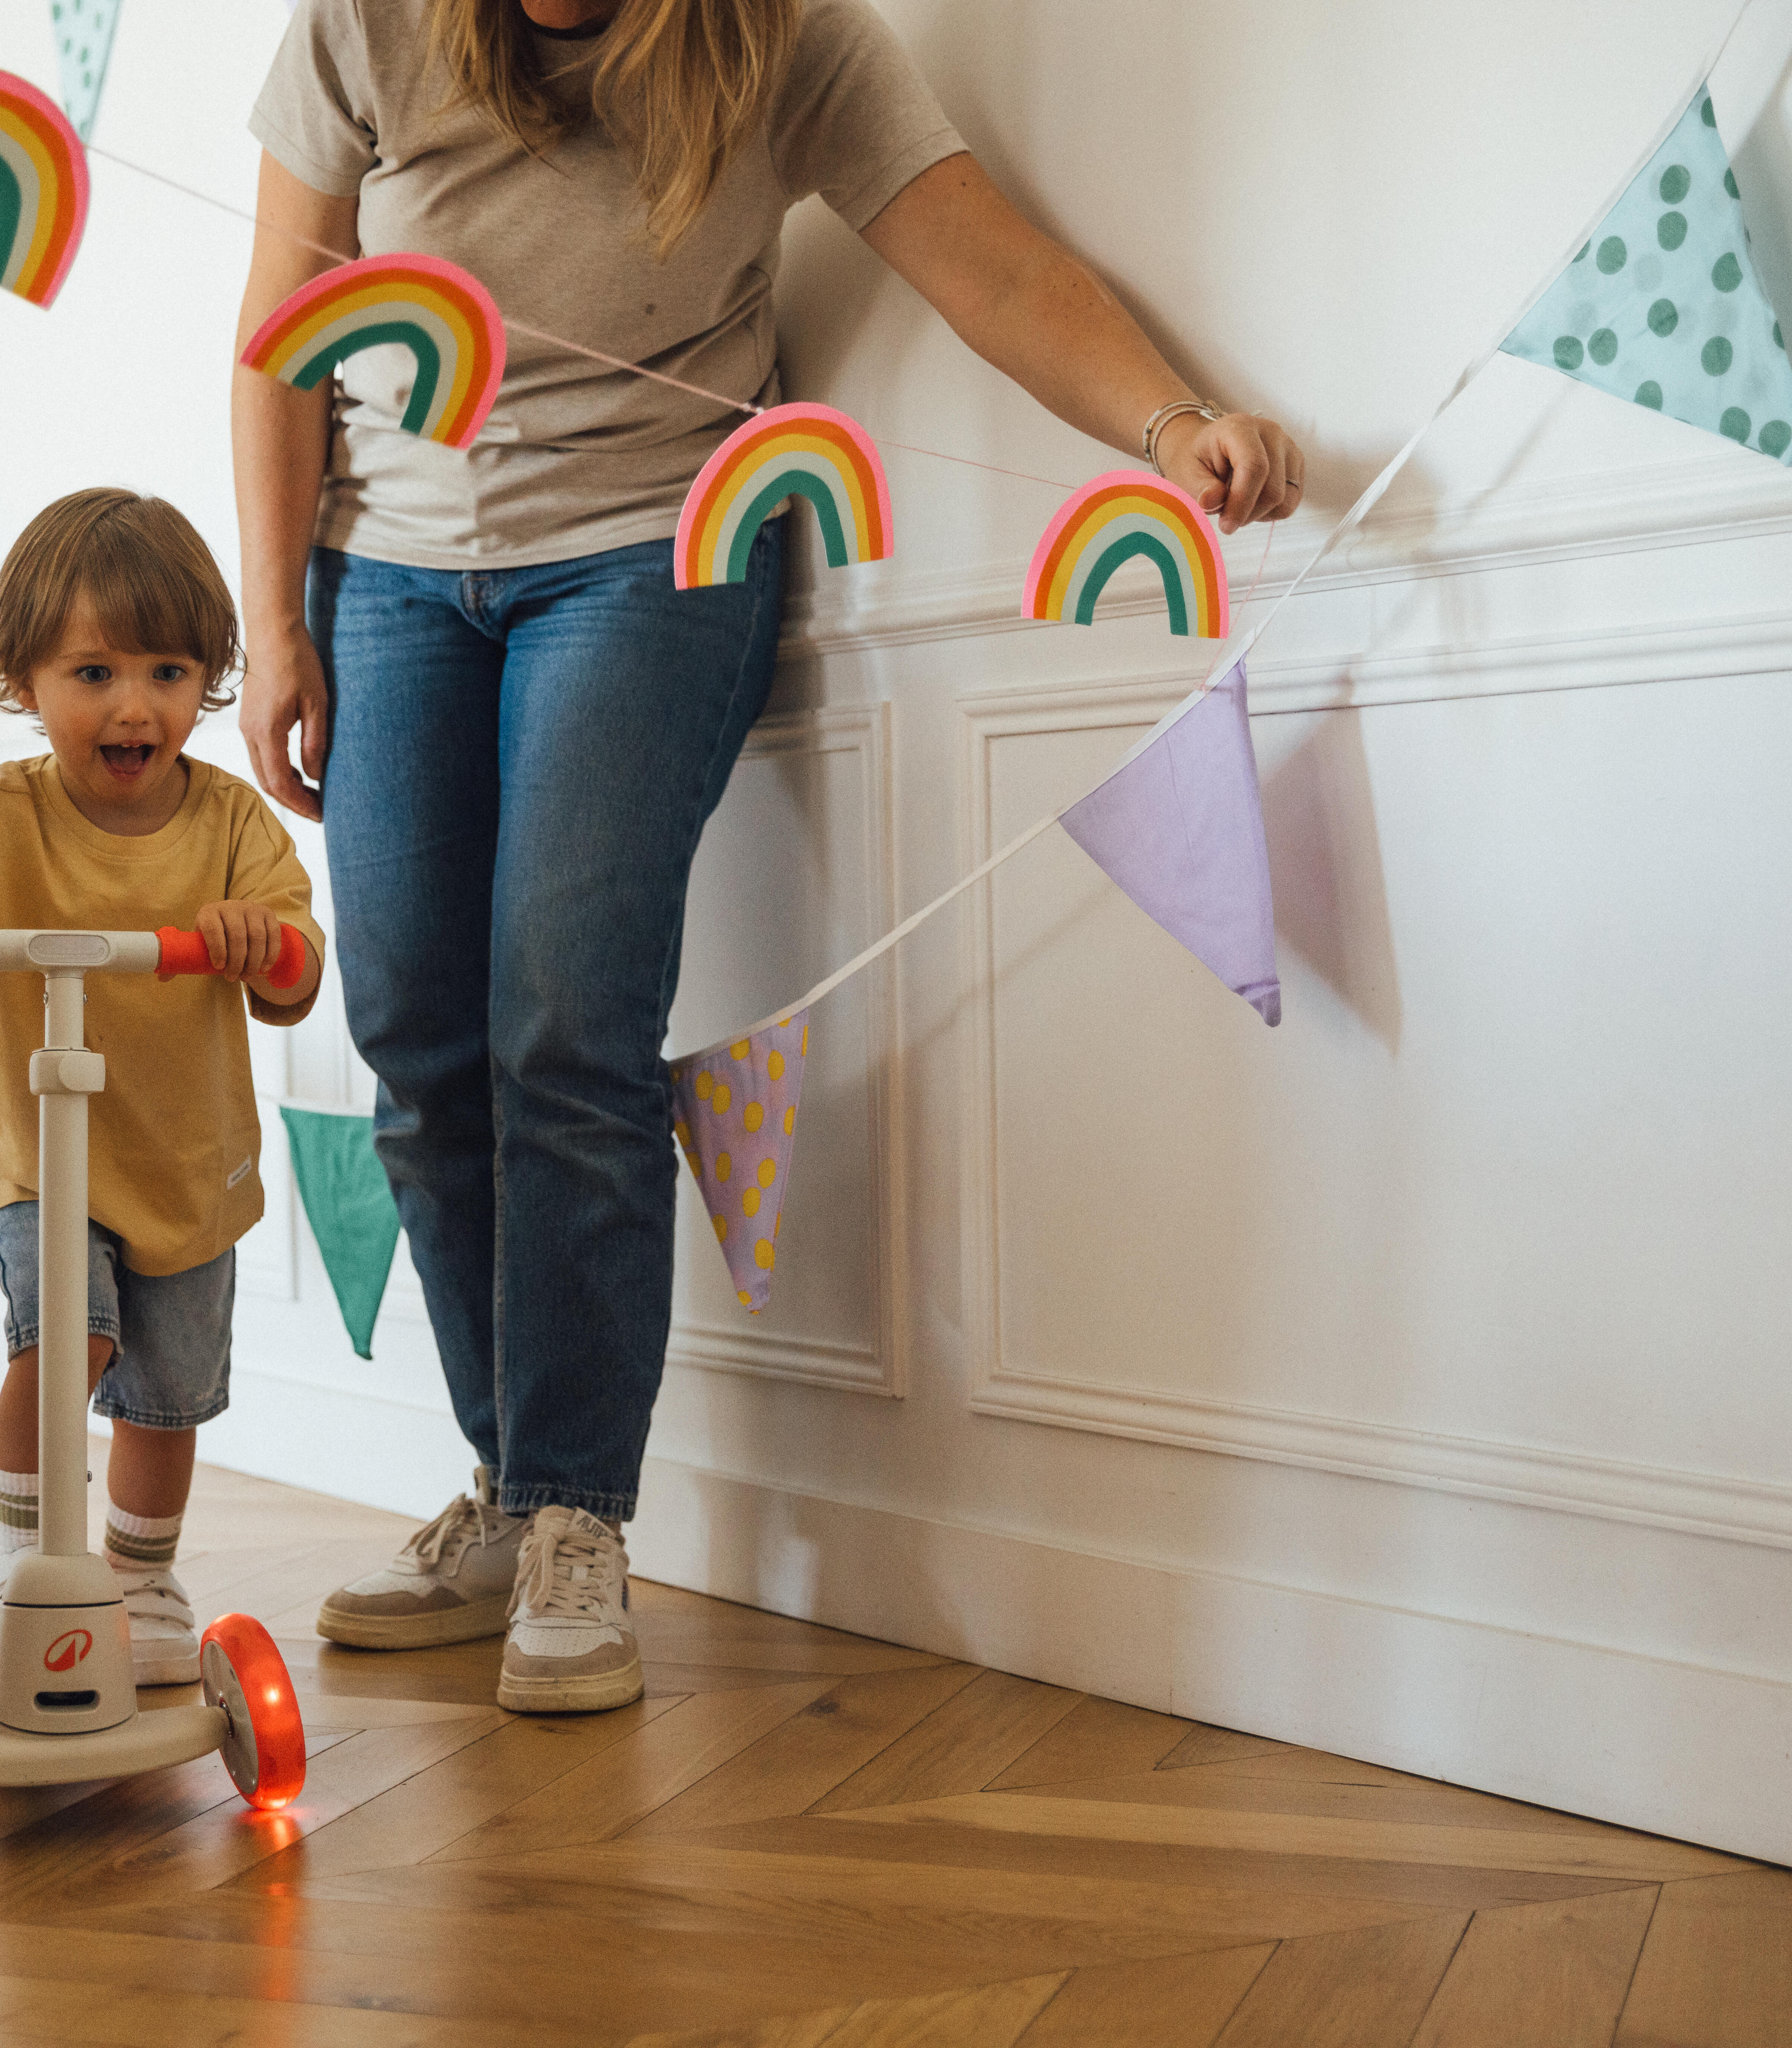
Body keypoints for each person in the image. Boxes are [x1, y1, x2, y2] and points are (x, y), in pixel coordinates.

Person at [234, 0, 1307, 1714]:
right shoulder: (367, 22)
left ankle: (579, 1513)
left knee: (560, 1016)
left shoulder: (787, 39)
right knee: (415, 1040)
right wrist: (278, 616)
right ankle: (509, 1488)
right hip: (387, 571)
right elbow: (280, 339)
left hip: (654, 554)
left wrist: (1171, 424)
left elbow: (996, 271)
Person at [0, 489, 328, 1684]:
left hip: (185, 1167)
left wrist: (265, 942)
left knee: (166, 1399)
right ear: (25, 681)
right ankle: (27, 1557)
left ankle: (145, 1577)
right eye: (94, 672)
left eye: (168, 669)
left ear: (208, 677)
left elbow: (299, 976)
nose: (135, 705)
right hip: (31, 1153)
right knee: (70, 1341)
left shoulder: (232, 825)